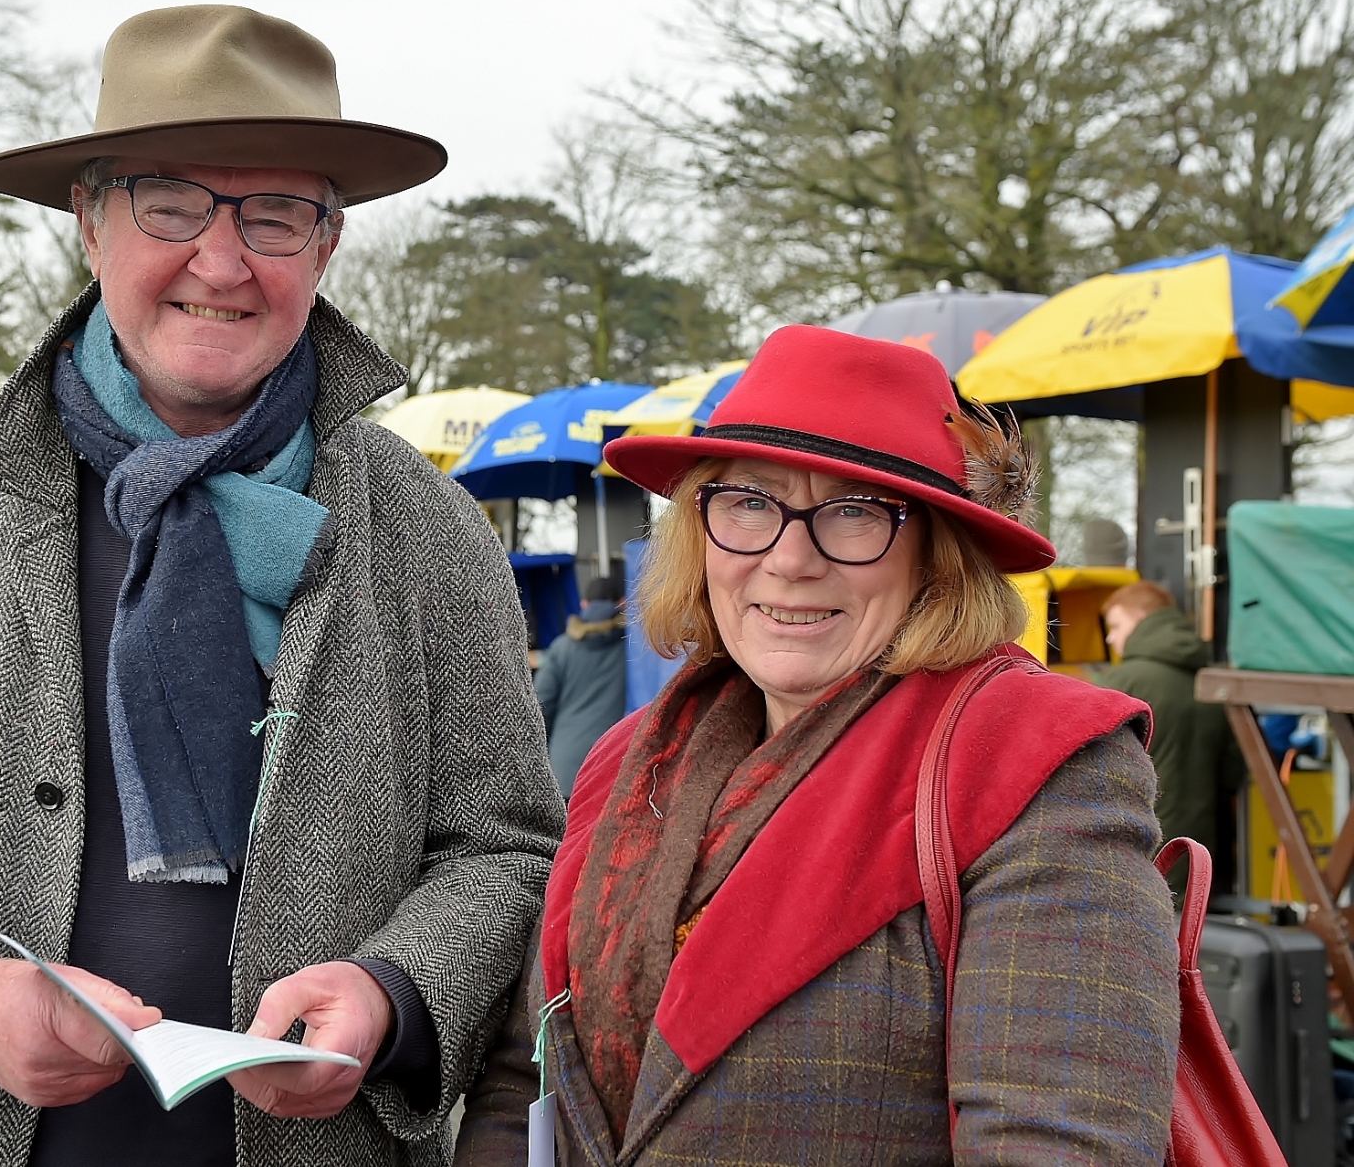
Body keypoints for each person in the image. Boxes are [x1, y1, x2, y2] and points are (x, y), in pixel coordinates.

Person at [0, 5, 563, 1167]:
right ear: (89, 224)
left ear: (328, 245)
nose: (222, 260)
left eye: (274, 213)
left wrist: (396, 992)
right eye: (170, 203)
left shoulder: (429, 529)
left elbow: (507, 850)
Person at [456, 326, 1180, 1164]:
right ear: (699, 531)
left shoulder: (1036, 762)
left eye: (855, 511)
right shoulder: (628, 759)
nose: (790, 557)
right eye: (749, 502)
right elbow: (523, 1078)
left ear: (936, 554)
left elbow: (1058, 1146)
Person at [1100, 580, 1243, 868]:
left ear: (1142, 619)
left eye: (1115, 626)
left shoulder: (1122, 682)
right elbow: (1233, 773)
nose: (1110, 638)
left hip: (1139, 847)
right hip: (1199, 851)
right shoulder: (1212, 683)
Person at [535, 576, 628, 798]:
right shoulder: (635, 649)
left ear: (584, 604)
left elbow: (539, 707)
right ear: (623, 603)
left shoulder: (562, 648)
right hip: (616, 769)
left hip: (566, 771)